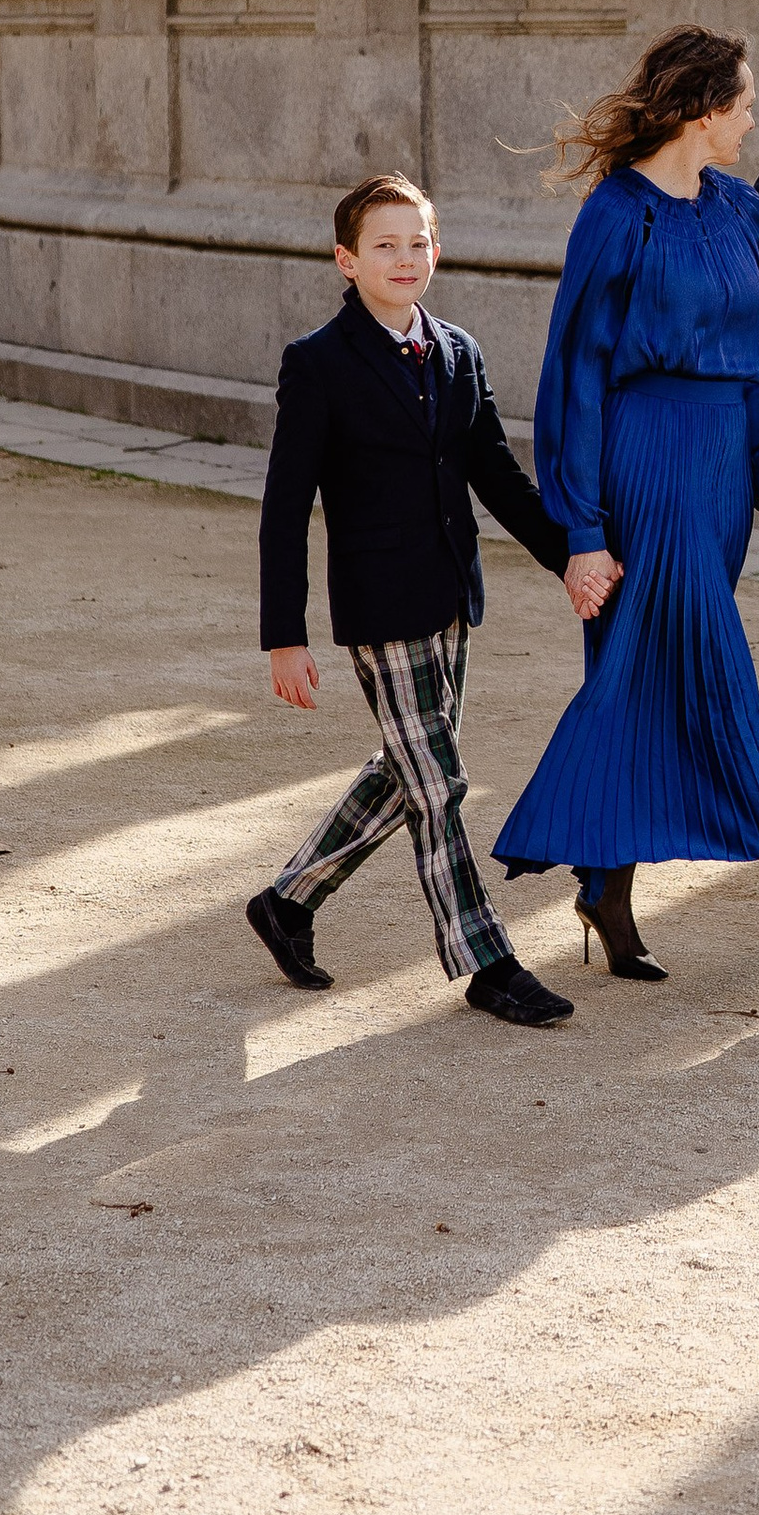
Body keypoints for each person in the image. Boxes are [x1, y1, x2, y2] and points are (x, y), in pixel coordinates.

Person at [493, 26, 759, 996]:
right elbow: (571, 377)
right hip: (643, 466)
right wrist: (579, 532)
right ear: (703, 109)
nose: (753, 119)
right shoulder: (614, 214)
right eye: (744, 102)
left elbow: (754, 368)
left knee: (646, 678)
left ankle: (606, 897)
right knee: (713, 678)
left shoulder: (741, 208)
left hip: (715, 477)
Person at [245, 173, 577, 1030]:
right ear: (346, 259)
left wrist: (570, 557)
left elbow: (496, 475)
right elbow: (286, 506)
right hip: (379, 604)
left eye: (418, 242)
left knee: (408, 770)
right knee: (438, 784)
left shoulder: (459, 350)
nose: (405, 258)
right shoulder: (316, 363)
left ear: (438, 250)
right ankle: (487, 962)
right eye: (384, 244)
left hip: (450, 598)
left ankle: (289, 902)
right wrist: (285, 634)